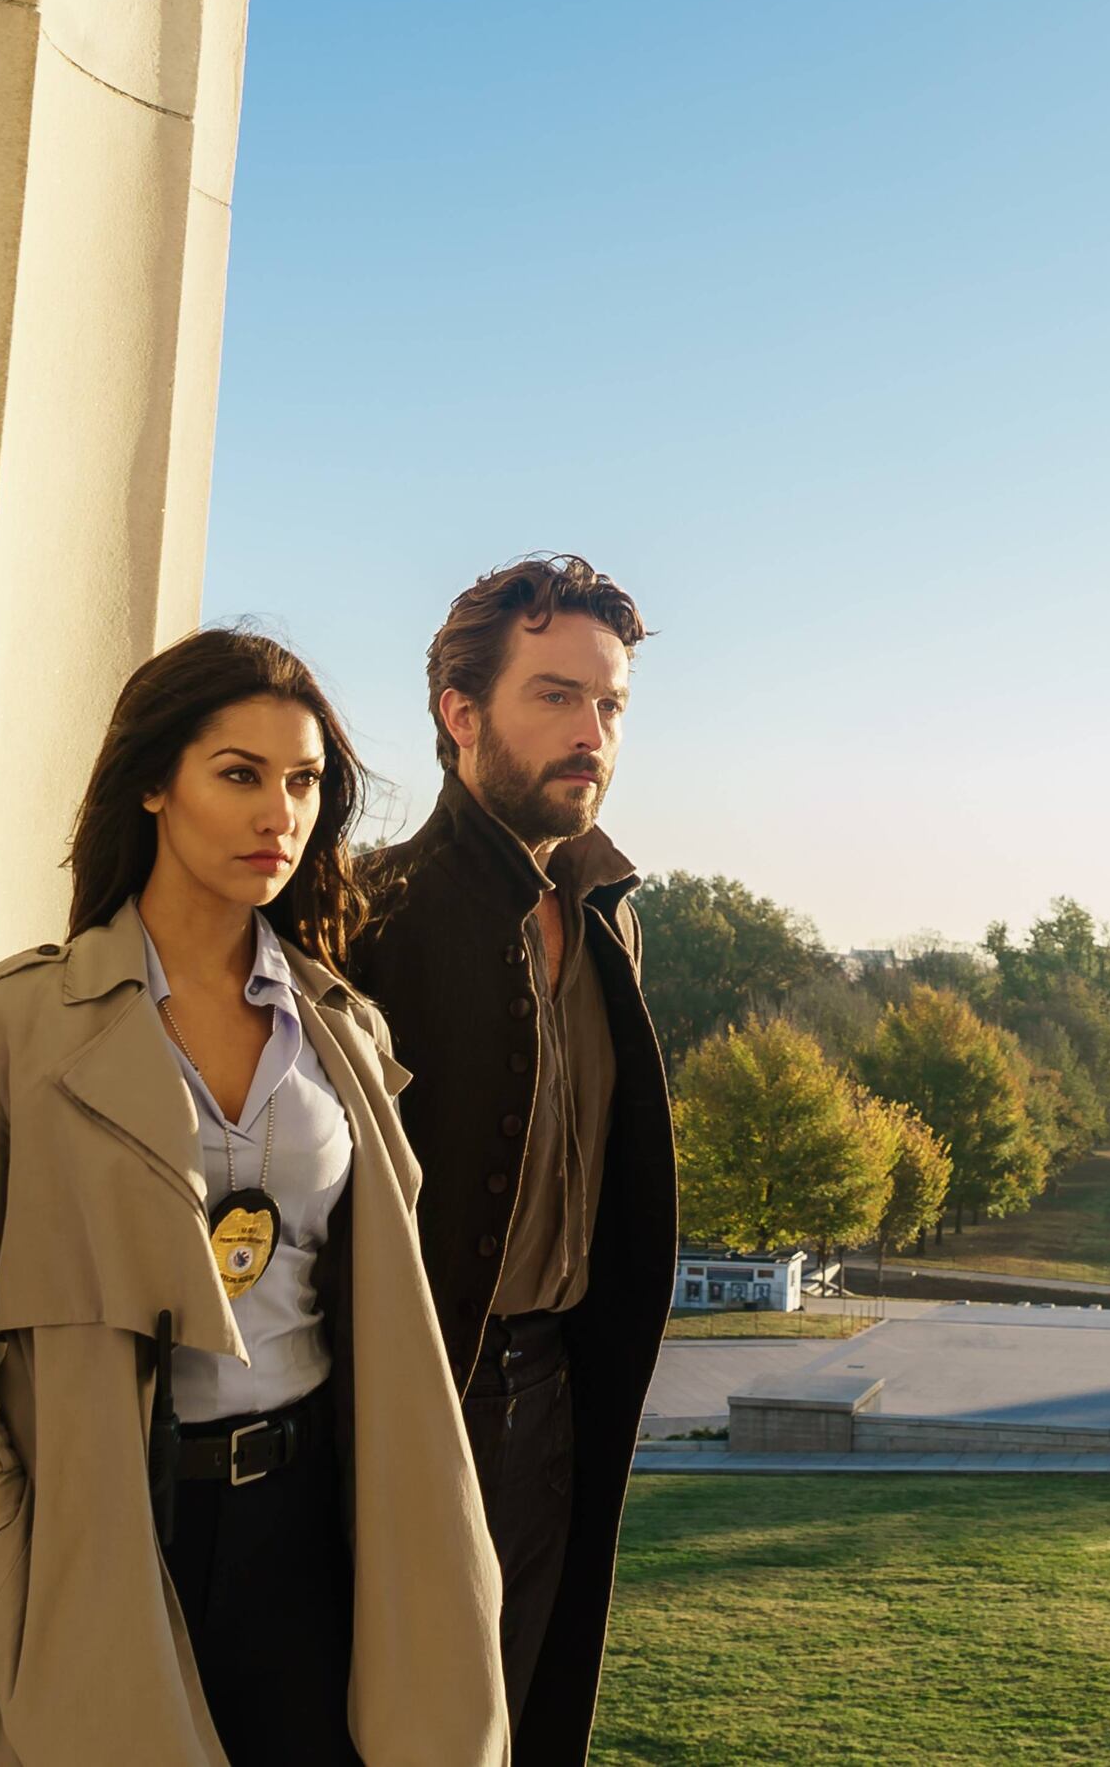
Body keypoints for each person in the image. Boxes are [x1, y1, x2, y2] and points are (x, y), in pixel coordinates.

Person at [0, 629, 504, 1767]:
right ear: (155, 784)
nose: (280, 814)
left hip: (314, 1521)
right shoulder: (8, 1029)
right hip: (103, 1526)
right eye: (240, 775)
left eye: (305, 782)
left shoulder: (344, 1032)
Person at [350, 557, 672, 1767]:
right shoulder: (362, 914)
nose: (592, 735)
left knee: (520, 1726)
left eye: (612, 706)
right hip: (410, 1413)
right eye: (556, 697)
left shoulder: (607, 913)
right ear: (461, 713)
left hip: (555, 1399)